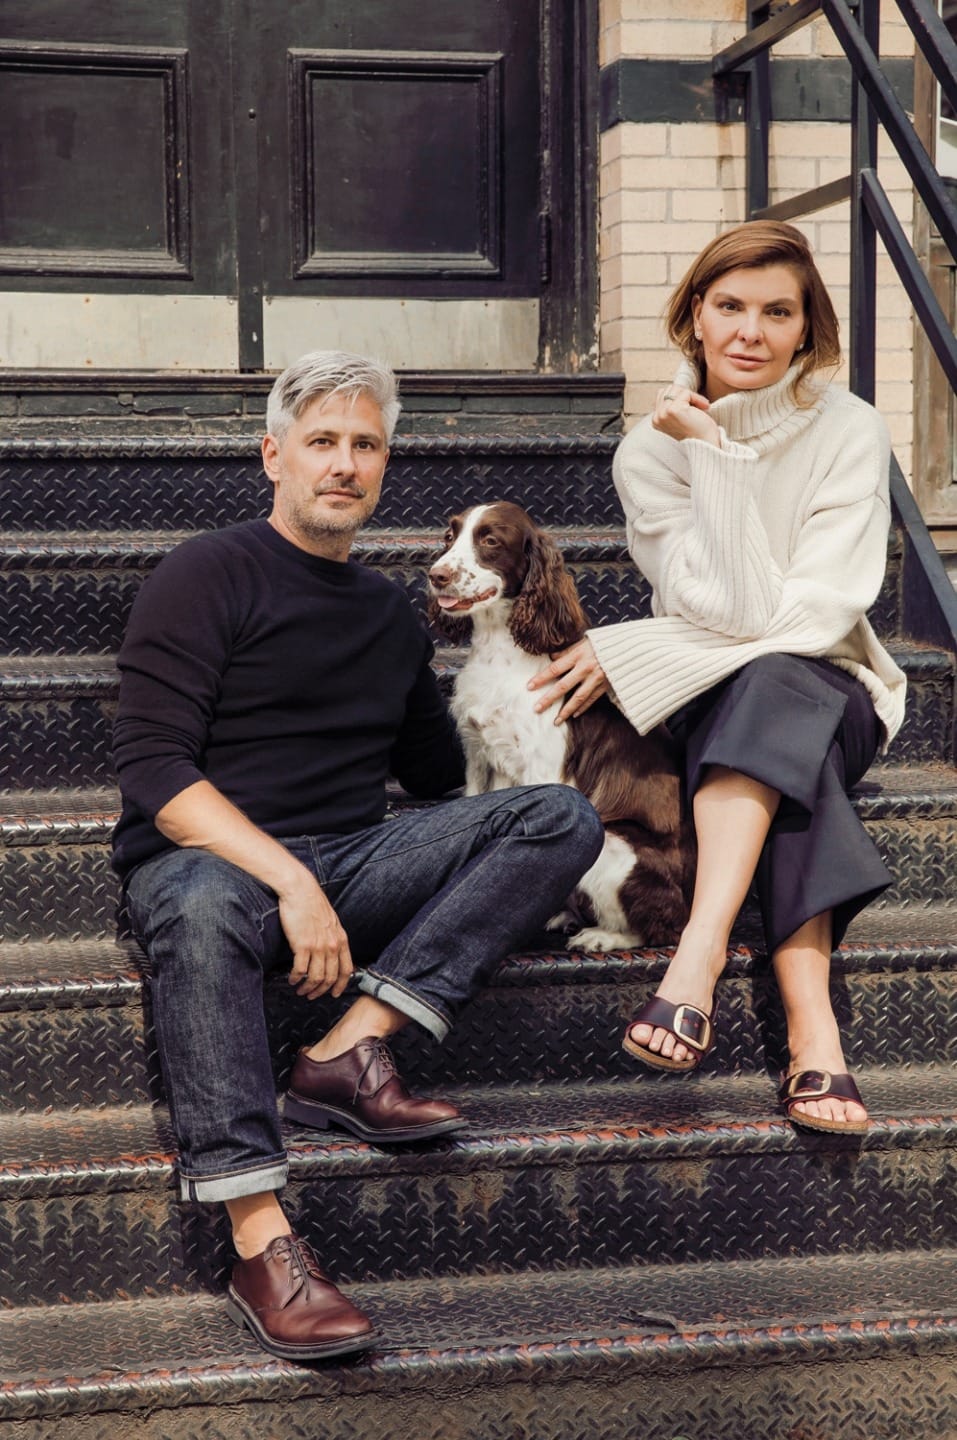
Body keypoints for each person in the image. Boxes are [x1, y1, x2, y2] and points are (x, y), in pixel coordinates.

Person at [111, 349, 605, 1362]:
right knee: (201, 907)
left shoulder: (388, 612)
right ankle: (261, 1241)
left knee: (559, 817)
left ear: (384, 466)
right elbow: (155, 772)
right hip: (210, 867)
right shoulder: (204, 574)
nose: (344, 464)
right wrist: (290, 879)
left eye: (366, 446)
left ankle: (348, 1046)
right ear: (274, 456)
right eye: (322, 442)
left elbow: (435, 774)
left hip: (357, 862)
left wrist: (540, 662)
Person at [528, 221, 906, 1136]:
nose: (749, 332)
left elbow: (816, 616)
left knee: (781, 679)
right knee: (779, 734)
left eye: (777, 312)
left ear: (806, 328)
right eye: (729, 306)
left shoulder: (850, 429)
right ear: (693, 314)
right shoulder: (648, 452)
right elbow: (732, 610)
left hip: (838, 690)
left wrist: (635, 650)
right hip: (721, 707)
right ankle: (814, 1035)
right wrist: (711, 453)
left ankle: (695, 956)